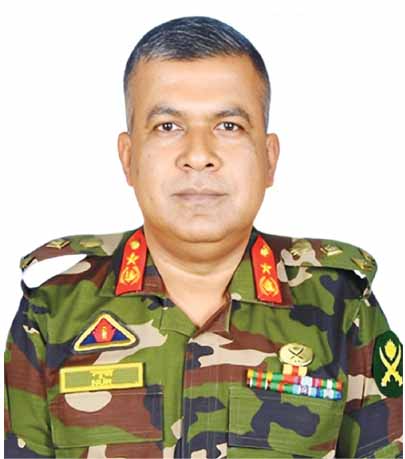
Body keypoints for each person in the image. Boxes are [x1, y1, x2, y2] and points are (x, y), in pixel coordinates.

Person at [4, 15, 403, 459]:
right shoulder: (54, 311)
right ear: (128, 157)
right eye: (168, 126)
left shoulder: (341, 307)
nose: (198, 155)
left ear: (269, 159)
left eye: (228, 126)